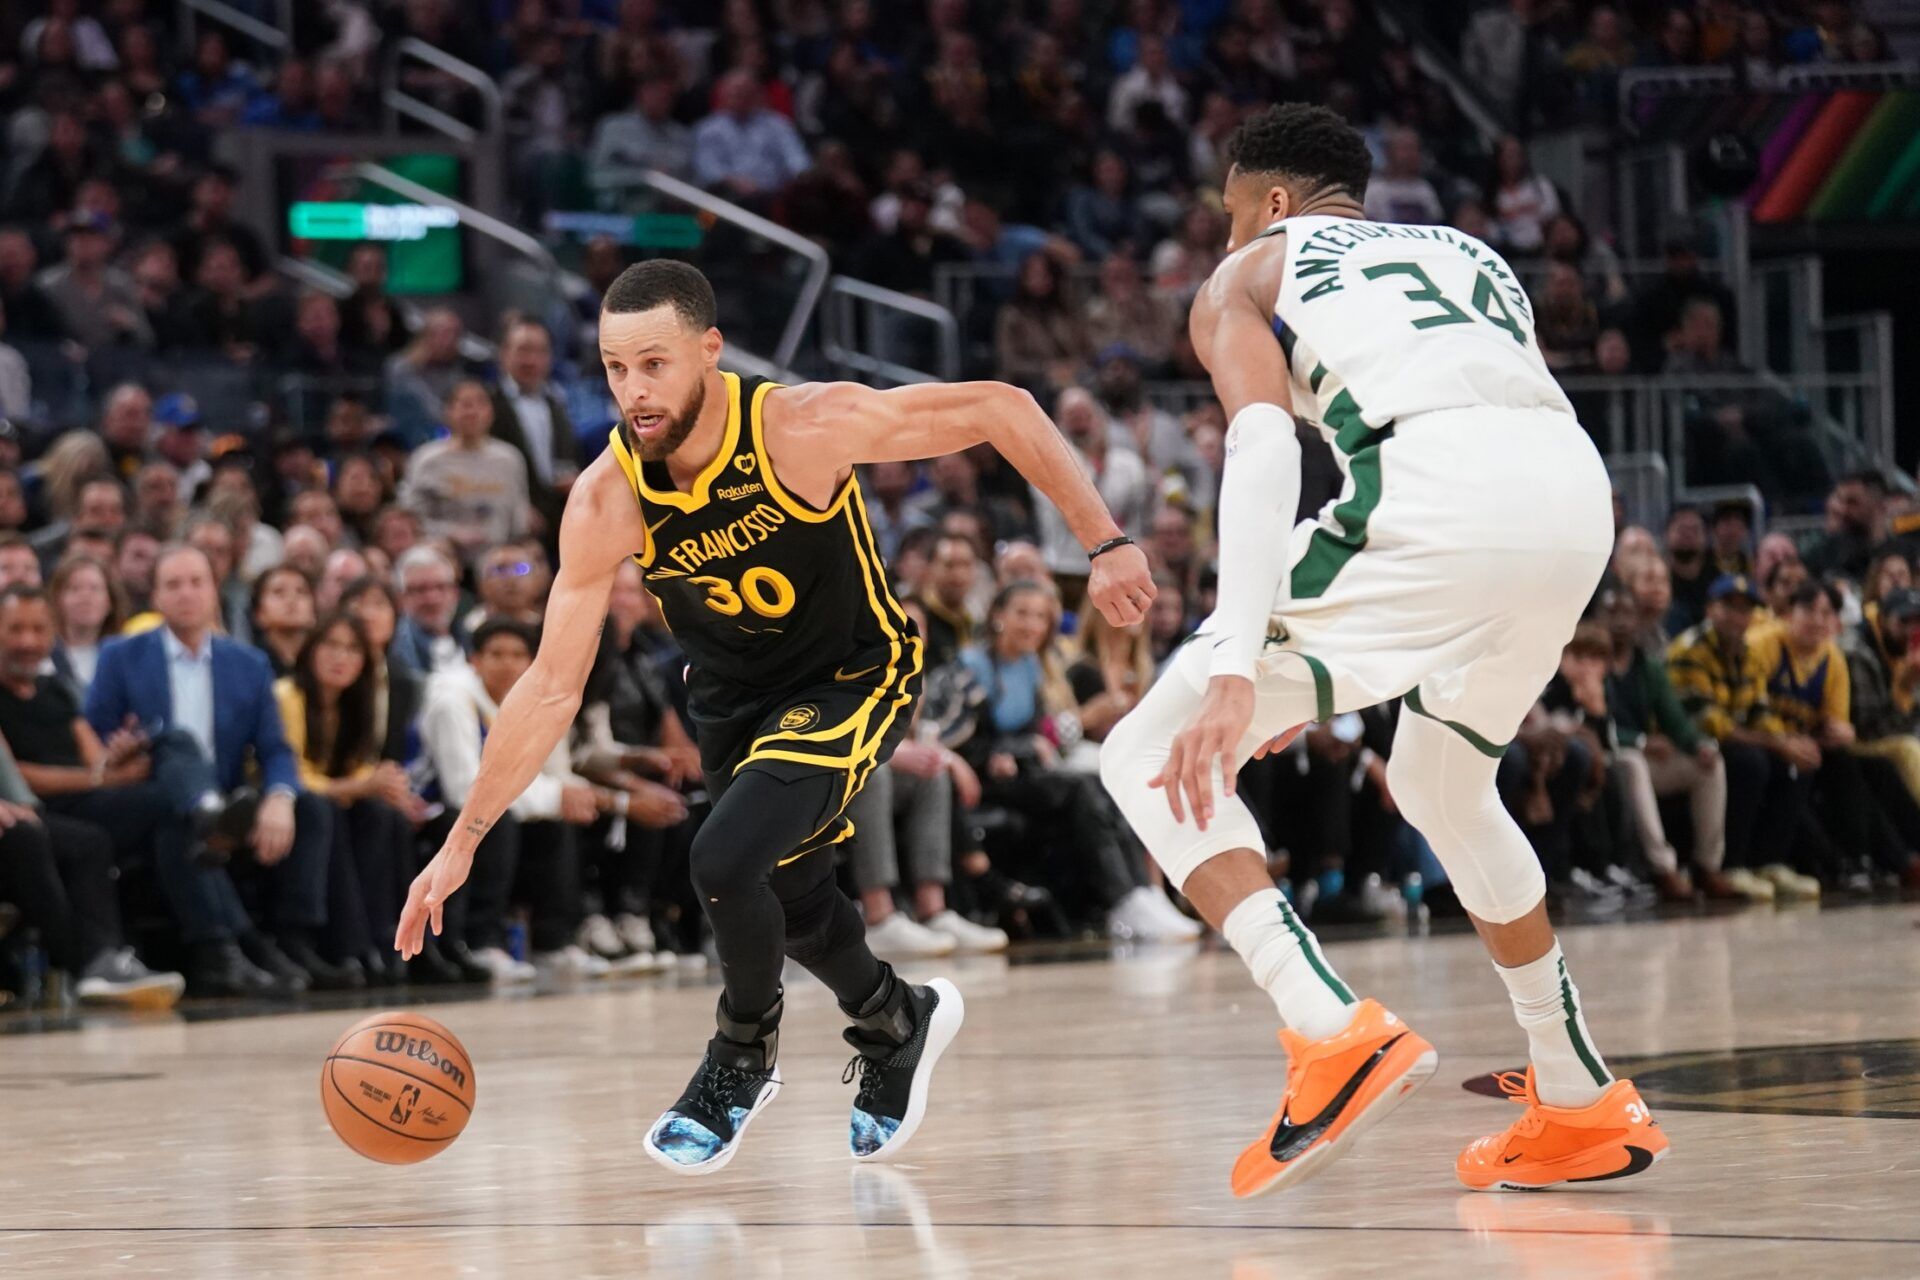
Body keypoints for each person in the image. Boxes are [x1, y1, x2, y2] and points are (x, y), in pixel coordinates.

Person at [397, 259, 1152, 1174]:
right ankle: (895, 1021)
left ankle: (740, 1055)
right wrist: (464, 836)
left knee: (721, 855)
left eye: (654, 364)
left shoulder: (799, 425)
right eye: (613, 368)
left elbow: (1001, 405)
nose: (633, 391)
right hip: (731, 703)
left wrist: (1104, 541)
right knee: (789, 903)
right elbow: (554, 684)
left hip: (852, 674)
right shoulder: (607, 496)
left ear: (709, 352)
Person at [1098, 104, 1666, 1200]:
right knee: (1442, 781)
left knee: (1147, 750)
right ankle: (1579, 1092)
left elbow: (1264, 442)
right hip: (1575, 501)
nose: (1224, 238)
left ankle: (1330, 1027)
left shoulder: (1247, 273)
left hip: (1437, 496)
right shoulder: (1471, 250)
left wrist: (1232, 666)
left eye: (1228, 213)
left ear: (1270, 204)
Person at [86, 545, 344, 992]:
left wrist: (281, 798)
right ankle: (241, 944)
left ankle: (293, 941)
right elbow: (93, 737)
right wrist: (117, 752)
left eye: (196, 582)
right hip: (147, 789)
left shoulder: (247, 663)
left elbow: (276, 750)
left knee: (312, 809)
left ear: (214, 592)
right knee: (175, 777)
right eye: (173, 584)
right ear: (156, 597)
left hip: (232, 800)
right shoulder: (120, 656)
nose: (186, 593)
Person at [275, 612, 422, 987]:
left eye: (353, 649)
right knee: (326, 811)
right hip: (281, 803)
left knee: (383, 815)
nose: (341, 657)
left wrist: (388, 787)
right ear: (310, 651)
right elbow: (294, 776)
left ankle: (385, 936)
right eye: (332, 645)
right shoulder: (287, 696)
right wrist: (358, 787)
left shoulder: (356, 702)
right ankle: (330, 942)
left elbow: (358, 769)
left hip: (329, 801)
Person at [48, 555, 123, 697]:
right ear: (57, 600)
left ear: (110, 601)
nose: (85, 597)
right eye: (74, 589)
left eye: (95, 589)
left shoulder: (126, 658)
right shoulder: (39, 657)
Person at [250, 564, 317, 677]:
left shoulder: (321, 666)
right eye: (279, 592)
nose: (292, 599)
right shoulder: (250, 664)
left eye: (301, 591)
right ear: (259, 613)